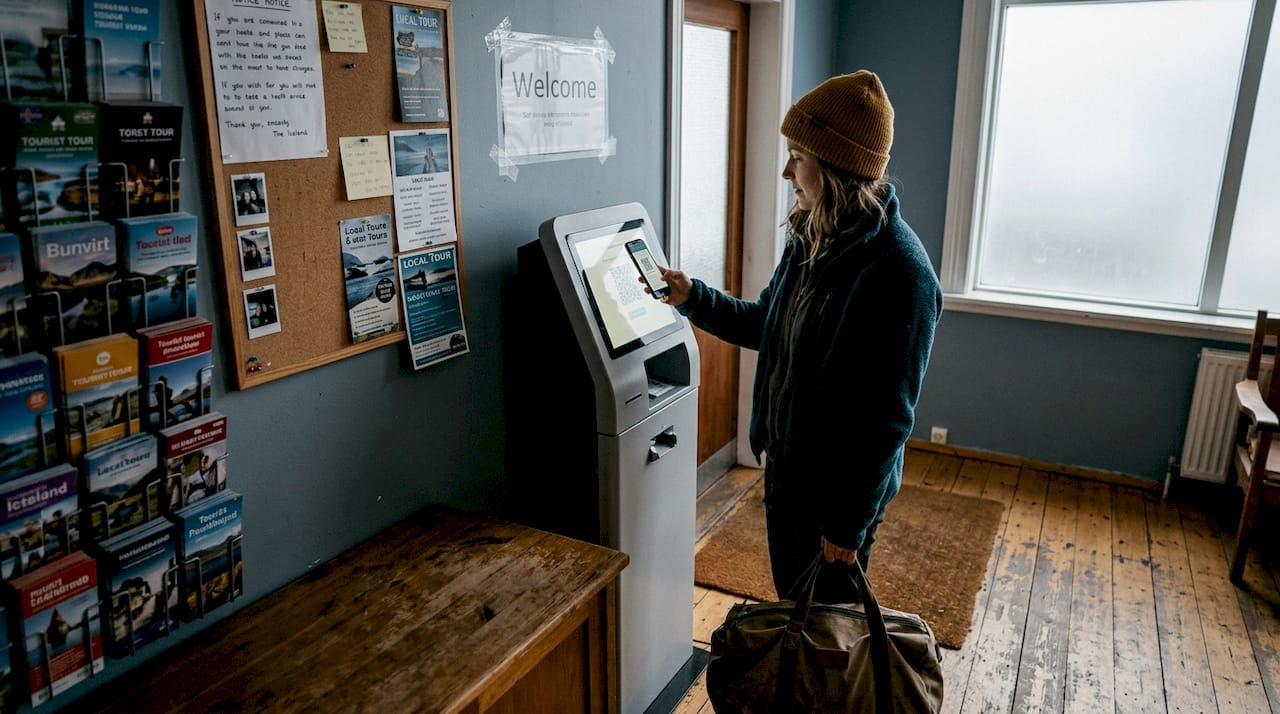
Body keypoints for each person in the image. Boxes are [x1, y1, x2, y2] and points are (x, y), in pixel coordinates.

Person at [654, 70, 942, 604]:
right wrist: (694, 297)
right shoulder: (812, 235)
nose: (787, 171)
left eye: (798, 156)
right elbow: (770, 322)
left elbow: (888, 422)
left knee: (830, 638)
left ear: (836, 167)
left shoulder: (902, 274)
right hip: (787, 473)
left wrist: (847, 529)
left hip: (835, 499)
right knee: (795, 611)